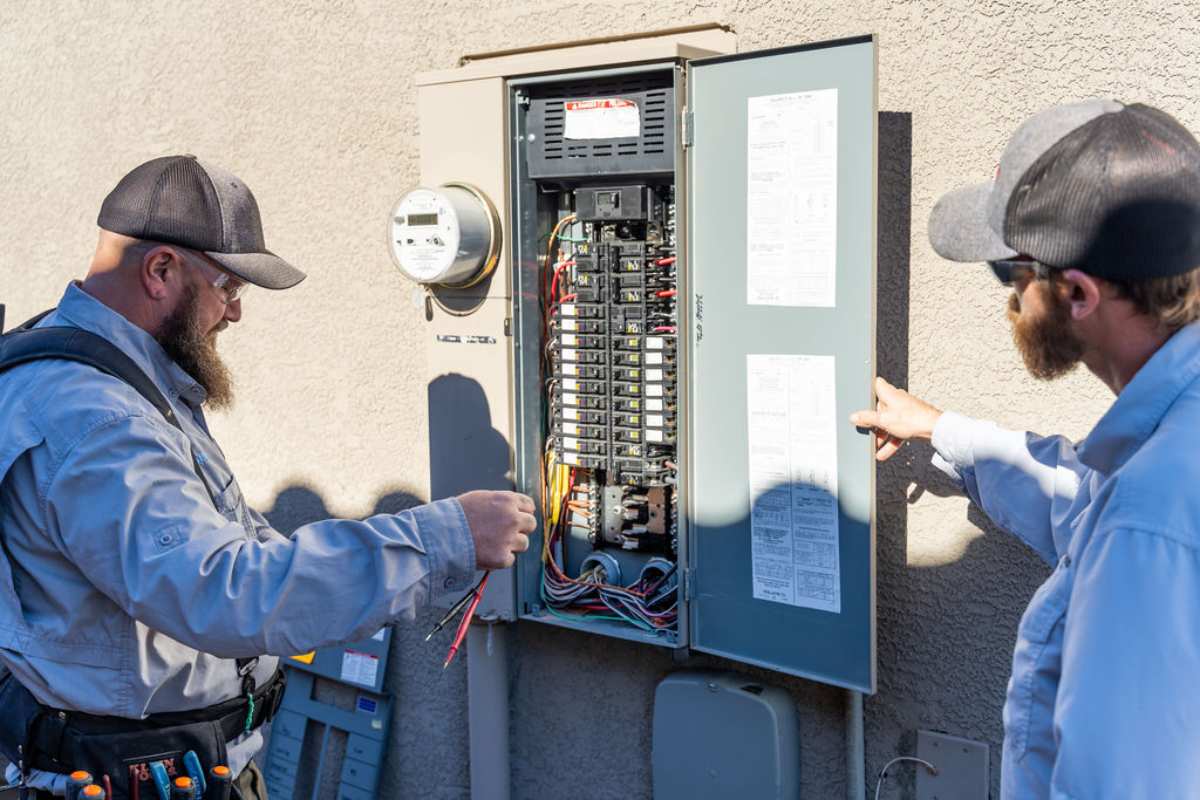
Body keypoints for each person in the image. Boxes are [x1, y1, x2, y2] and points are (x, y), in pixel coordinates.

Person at [0, 155, 534, 799]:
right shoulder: (97, 419)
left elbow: (230, 548)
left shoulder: (91, 368)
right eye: (228, 287)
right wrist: (442, 538)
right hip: (130, 771)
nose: (234, 314)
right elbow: (224, 590)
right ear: (160, 270)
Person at [852, 99, 1200, 798]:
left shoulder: (1149, 512)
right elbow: (1080, 507)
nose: (1009, 299)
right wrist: (938, 429)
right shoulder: (1164, 453)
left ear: (1075, 293)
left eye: (1010, 275)